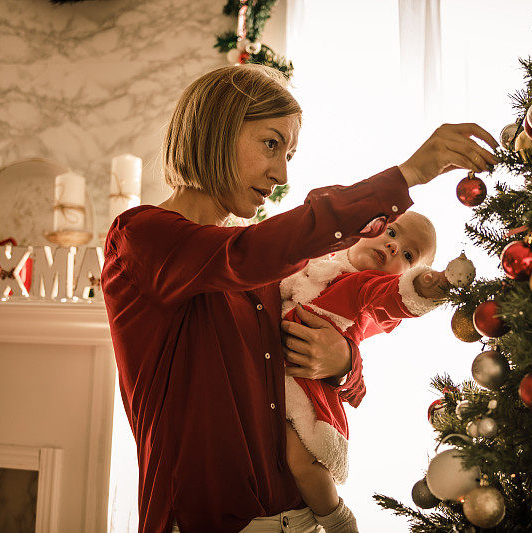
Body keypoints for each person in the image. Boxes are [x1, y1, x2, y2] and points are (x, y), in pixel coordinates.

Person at [101, 63, 497, 533]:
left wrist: (343, 361)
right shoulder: (142, 236)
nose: (282, 172)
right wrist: (406, 176)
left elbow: (328, 361)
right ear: (217, 129)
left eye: (289, 152)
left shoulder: (265, 268)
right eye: (271, 143)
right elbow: (248, 253)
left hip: (299, 519)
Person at [280, 211, 447, 532]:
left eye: (409, 255)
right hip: (267, 372)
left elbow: (391, 297)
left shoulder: (364, 285)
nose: (394, 246)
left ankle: (335, 517)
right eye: (393, 233)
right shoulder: (315, 257)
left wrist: (423, 289)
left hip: (304, 386)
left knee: (300, 458)